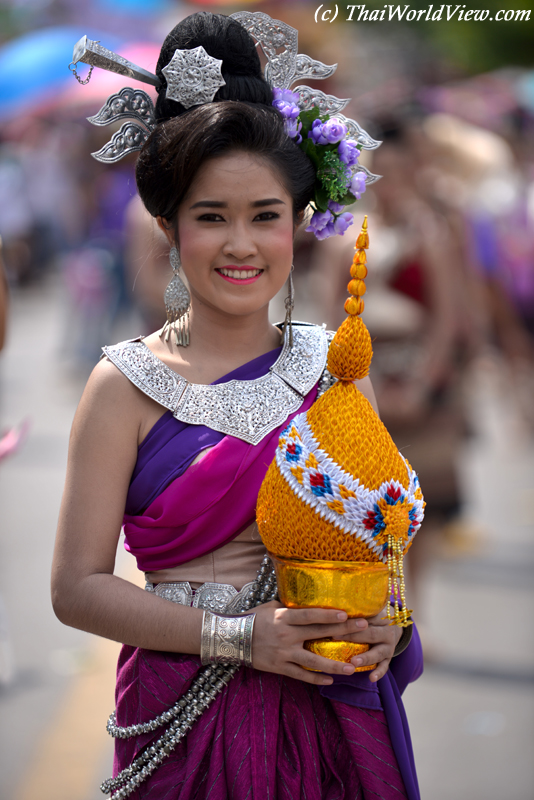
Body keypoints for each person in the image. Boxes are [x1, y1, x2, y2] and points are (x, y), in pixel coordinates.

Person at [52, 12, 423, 800]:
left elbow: (382, 527)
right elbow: (76, 586)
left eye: (265, 216)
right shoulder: (123, 384)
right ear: (168, 226)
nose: (241, 245)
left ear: (300, 224)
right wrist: (239, 638)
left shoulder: (334, 367)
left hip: (326, 707)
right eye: (211, 217)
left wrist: (388, 622)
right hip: (178, 709)